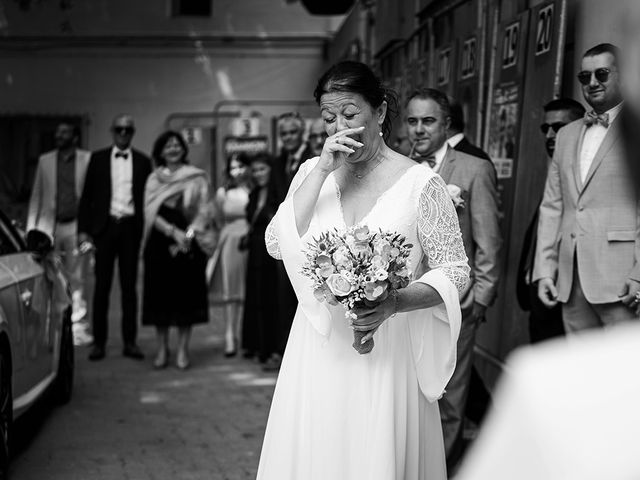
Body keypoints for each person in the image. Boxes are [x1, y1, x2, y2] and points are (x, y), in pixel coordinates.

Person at [257, 61, 470, 480]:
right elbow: (276, 243)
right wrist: (320, 170)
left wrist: (394, 303)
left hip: (386, 349)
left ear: (380, 113)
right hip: (317, 348)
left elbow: (456, 269)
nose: (338, 126)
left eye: (350, 114)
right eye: (328, 117)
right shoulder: (310, 174)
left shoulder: (419, 183)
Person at [405, 88, 501, 473]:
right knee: (411, 397)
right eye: (411, 121)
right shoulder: (400, 169)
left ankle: (443, 469)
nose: (418, 129)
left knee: (449, 397)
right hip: (406, 302)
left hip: (455, 304)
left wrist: (480, 298)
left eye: (428, 121)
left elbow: (489, 242)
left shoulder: (474, 170)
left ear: (446, 124)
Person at [534, 43, 640, 333]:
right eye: (584, 77)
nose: (592, 83)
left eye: (602, 74)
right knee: (582, 372)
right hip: (571, 278)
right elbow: (552, 206)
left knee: (626, 373)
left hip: (622, 278)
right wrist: (545, 270)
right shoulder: (566, 134)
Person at [78, 114, 152, 361]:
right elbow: (87, 197)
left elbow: (148, 199)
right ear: (112, 131)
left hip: (130, 228)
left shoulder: (143, 161)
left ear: (132, 133)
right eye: (119, 129)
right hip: (105, 228)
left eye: (127, 130)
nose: (123, 134)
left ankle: (130, 341)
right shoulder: (97, 159)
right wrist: (84, 231)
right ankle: (99, 342)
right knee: (102, 287)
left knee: (129, 287)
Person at [141, 131, 213, 370]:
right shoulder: (153, 179)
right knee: (159, 297)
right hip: (160, 242)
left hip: (190, 244)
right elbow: (149, 213)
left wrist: (189, 234)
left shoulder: (197, 178)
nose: (173, 148)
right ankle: (162, 348)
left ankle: (183, 349)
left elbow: (205, 210)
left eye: (177, 145)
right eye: (168, 145)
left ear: (184, 149)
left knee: (186, 298)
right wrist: (173, 232)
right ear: (160, 151)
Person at [516, 98, 585, 343]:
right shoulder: (554, 175)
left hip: (569, 296)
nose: (551, 135)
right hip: (539, 296)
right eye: (546, 129)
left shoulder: (584, 181)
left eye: (560, 127)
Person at [27, 122, 93, 346]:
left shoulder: (87, 160)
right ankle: (49, 326)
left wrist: (90, 230)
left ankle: (78, 328)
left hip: (76, 225)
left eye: (64, 132)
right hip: (50, 227)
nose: (59, 135)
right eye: (58, 132)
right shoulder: (45, 161)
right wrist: (31, 231)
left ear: (75, 137)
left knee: (77, 277)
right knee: (48, 276)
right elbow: (37, 196)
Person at [208, 153, 251, 357]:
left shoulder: (254, 189)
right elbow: (216, 219)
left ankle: (245, 335)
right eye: (233, 167)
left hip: (251, 241)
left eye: (241, 166)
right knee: (230, 291)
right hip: (230, 241)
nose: (237, 171)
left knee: (247, 291)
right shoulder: (222, 192)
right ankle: (229, 335)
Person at [241, 153, 281, 366]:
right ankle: (255, 345)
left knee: (269, 298)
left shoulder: (279, 193)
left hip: (270, 253)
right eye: (255, 170)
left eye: (262, 169)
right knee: (254, 296)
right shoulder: (254, 193)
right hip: (254, 249)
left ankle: (271, 347)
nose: (258, 174)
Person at [274, 112, 314, 188]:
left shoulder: (313, 156)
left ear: (302, 132)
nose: (288, 137)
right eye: (283, 134)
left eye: (293, 132)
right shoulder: (278, 163)